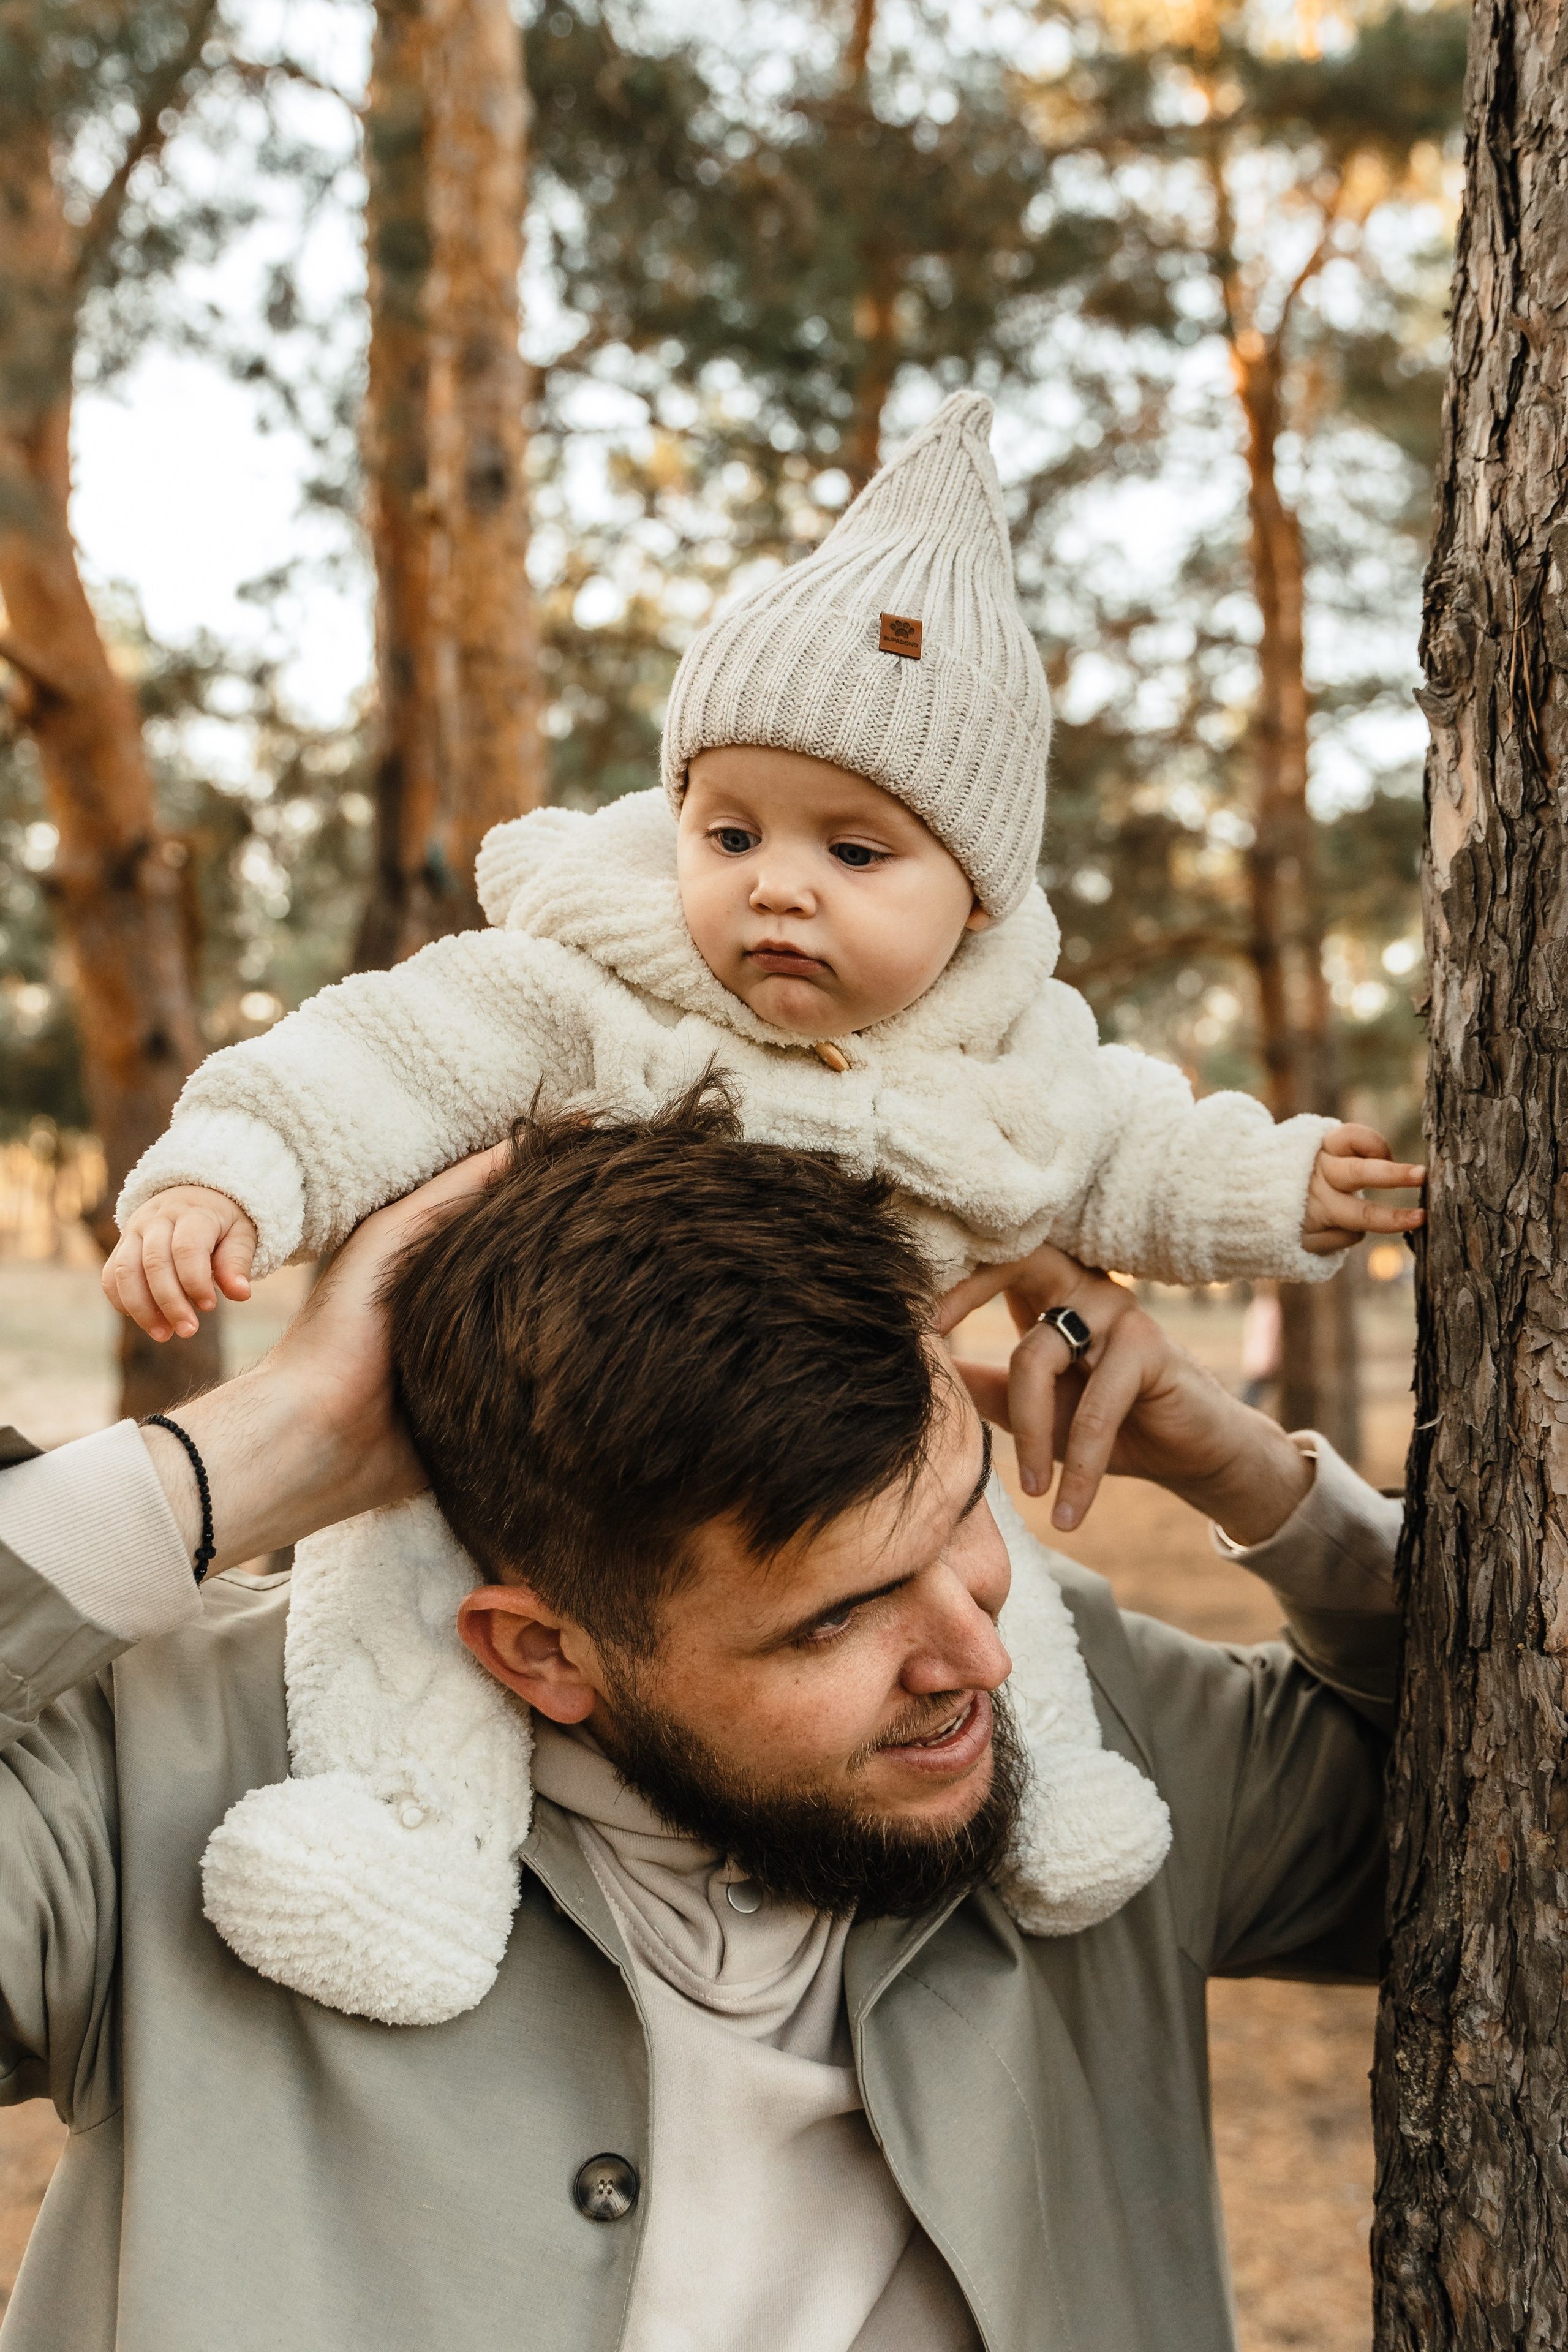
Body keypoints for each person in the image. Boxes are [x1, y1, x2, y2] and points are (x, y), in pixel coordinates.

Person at [94, 395, 1423, 1969]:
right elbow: (376, 1060)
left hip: (889, 1430)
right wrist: (229, 1178)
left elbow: (1133, 1143)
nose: (774, 886)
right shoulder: (588, 988)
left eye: (855, 856)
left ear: (976, 903)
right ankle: (397, 1849)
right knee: (392, 1589)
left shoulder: (1011, 1058)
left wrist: (1278, 1198)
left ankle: (1054, 1793)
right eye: (728, 831)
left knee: (980, 1562)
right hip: (531, 1456)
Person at [0, 1092, 1401, 2351]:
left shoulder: (1075, 1717)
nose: (973, 1653)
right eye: (833, 1618)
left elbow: (1505, 1834)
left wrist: (1258, 1486)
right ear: (543, 1653)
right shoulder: (176, 1777)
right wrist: (269, 1442)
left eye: (967, 1515)